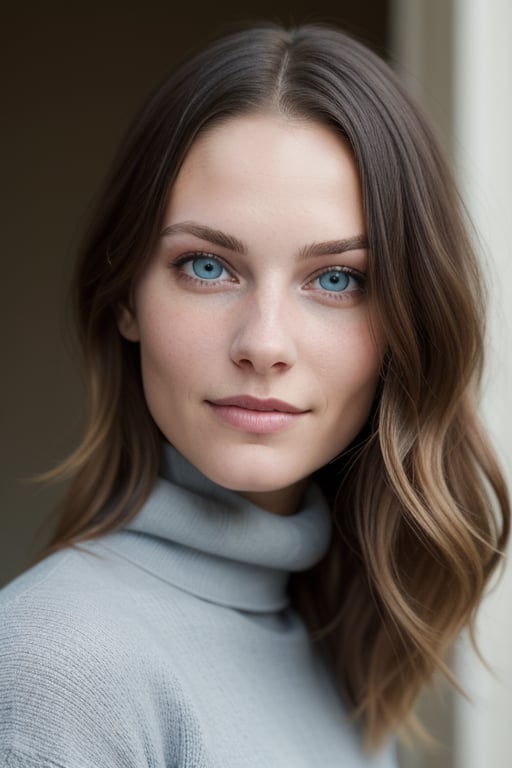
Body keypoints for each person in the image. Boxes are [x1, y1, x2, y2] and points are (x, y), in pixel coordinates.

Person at [0, 23, 509, 768]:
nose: (264, 343)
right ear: (126, 297)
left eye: (337, 279)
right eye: (208, 267)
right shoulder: (57, 665)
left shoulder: (340, 656)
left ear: (409, 324)